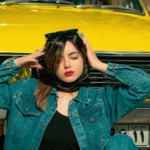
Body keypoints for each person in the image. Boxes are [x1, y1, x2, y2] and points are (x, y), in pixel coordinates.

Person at [0, 28, 150, 150]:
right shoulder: (25, 91)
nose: (67, 65)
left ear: (84, 58)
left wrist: (98, 64)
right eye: (58, 59)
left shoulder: (101, 100)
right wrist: (17, 62)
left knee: (121, 144)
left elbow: (144, 84)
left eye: (74, 57)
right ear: (50, 64)